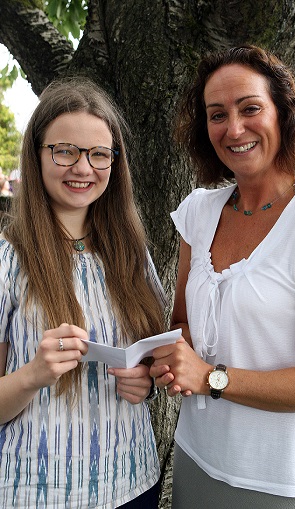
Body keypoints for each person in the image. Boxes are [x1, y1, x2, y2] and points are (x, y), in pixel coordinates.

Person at [150, 45, 295, 509]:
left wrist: (211, 378)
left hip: (283, 479)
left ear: (285, 112)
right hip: (197, 456)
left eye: (250, 108)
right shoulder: (198, 212)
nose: (234, 128)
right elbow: (183, 321)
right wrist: (170, 359)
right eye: (216, 115)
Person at [0, 78, 166, 509]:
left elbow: (153, 361)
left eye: (98, 154)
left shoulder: (132, 254)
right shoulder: (8, 261)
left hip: (134, 483)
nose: (83, 168)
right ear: (37, 156)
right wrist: (32, 374)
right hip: (38, 492)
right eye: (65, 150)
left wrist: (145, 381)